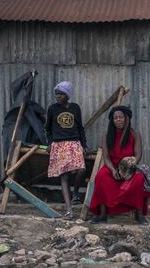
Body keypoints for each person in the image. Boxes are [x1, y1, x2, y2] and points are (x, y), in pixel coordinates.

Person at [89, 105, 150, 225]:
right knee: (101, 177)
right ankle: (102, 214)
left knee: (139, 179)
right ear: (112, 120)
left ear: (126, 118)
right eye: (115, 118)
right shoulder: (107, 135)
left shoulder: (134, 134)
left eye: (121, 117)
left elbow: (138, 154)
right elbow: (106, 157)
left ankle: (139, 216)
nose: (118, 120)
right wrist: (113, 170)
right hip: (112, 167)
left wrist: (128, 168)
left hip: (129, 167)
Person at [45, 81, 87, 220]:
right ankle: (69, 211)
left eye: (61, 94)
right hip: (59, 145)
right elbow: (48, 129)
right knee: (64, 176)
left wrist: (84, 144)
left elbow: (80, 127)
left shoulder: (75, 108)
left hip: (74, 143)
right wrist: (50, 143)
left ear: (67, 95)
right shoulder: (52, 109)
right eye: (57, 94)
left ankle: (75, 193)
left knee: (81, 170)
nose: (58, 97)